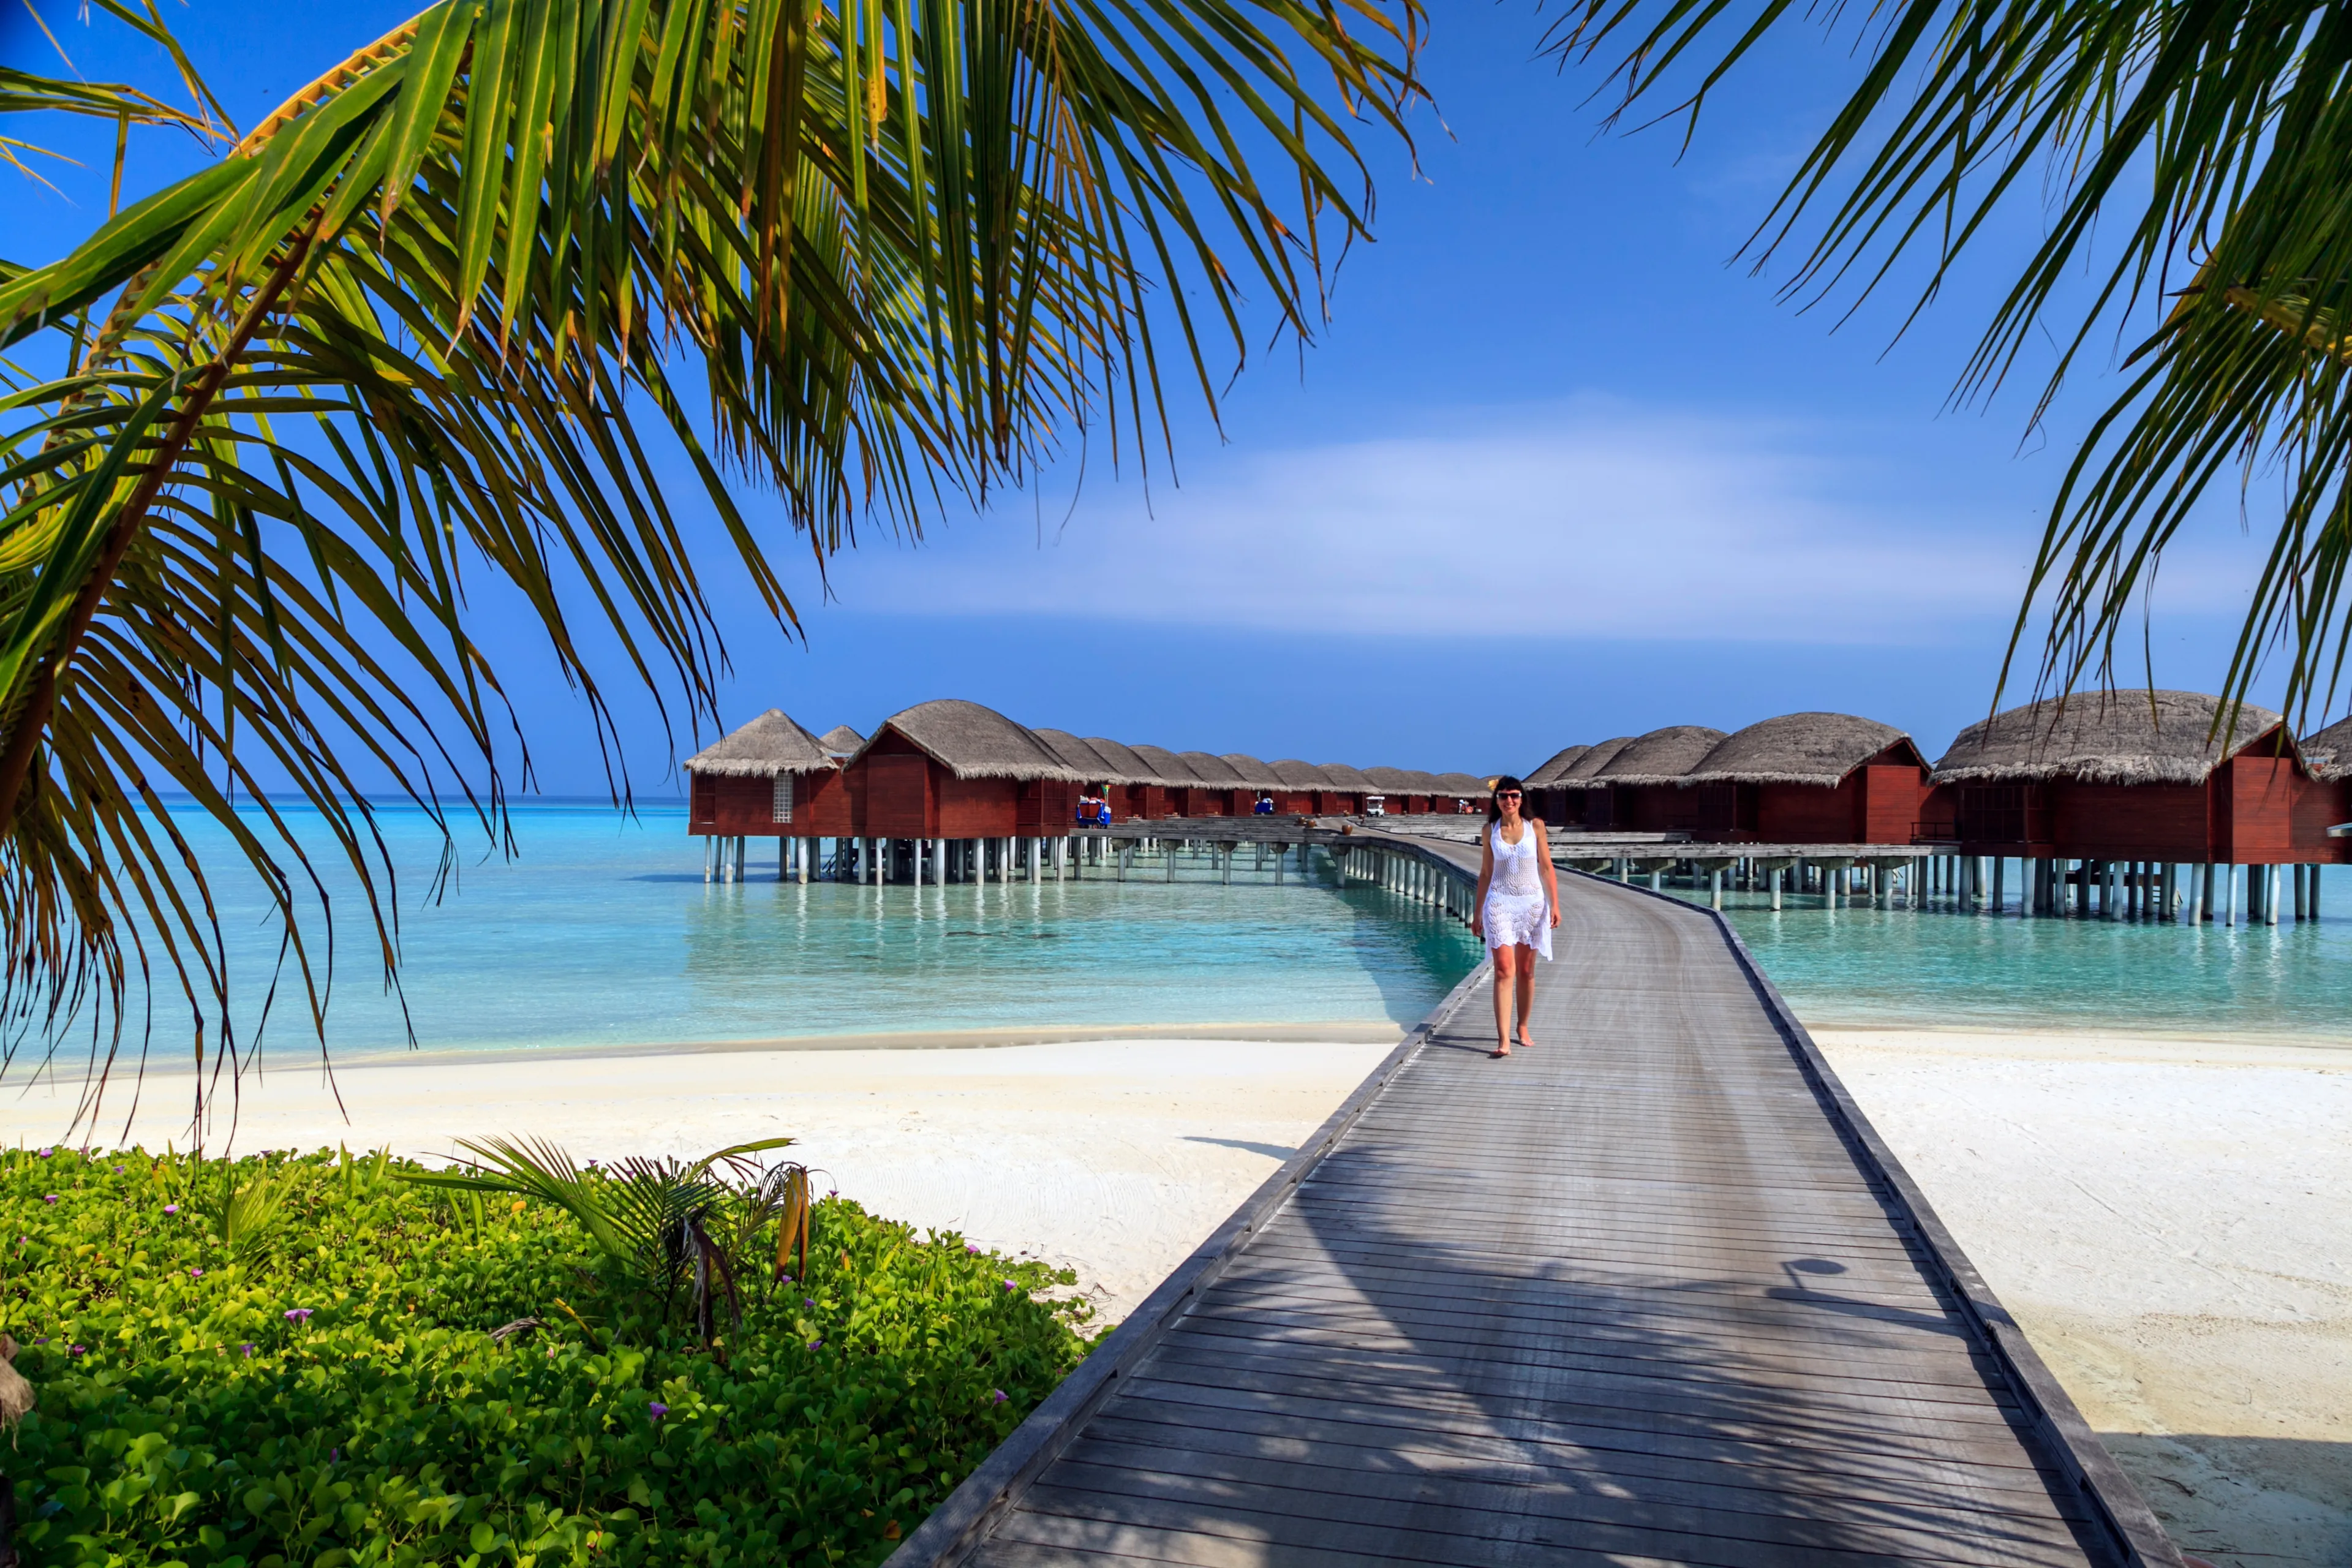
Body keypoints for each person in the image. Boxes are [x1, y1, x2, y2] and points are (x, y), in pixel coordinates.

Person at [1471, 776, 1558, 1058]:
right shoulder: (1490, 830)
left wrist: (1555, 904)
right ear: (1496, 801)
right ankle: (1503, 1039)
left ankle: (1522, 1026)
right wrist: (1477, 912)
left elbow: (1546, 867)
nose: (1509, 800)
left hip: (1532, 905)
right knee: (1503, 971)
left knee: (1526, 971)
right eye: (1504, 796)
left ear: (1522, 799)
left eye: (1515, 795)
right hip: (1499, 904)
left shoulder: (1536, 827)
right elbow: (1485, 873)